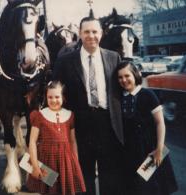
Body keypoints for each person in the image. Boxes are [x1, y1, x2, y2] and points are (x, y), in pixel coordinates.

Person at [53, 16, 124, 195]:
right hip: (80, 126)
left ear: (101, 33)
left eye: (95, 31)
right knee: (83, 174)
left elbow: (123, 90)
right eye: (86, 32)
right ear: (80, 34)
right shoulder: (65, 61)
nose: (91, 36)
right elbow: (56, 92)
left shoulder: (113, 58)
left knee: (110, 173)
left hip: (108, 124)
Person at [115, 61, 178, 195]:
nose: (124, 80)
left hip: (149, 150)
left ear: (135, 75)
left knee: (152, 186)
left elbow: (160, 123)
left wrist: (159, 149)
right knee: (135, 187)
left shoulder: (147, 95)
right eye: (120, 77)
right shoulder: (119, 98)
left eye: (127, 76)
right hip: (130, 152)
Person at [27, 81, 86, 195]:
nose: (54, 100)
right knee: (48, 190)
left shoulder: (69, 115)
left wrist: (75, 163)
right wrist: (35, 165)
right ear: (46, 97)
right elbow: (32, 141)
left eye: (57, 97)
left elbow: (73, 141)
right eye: (50, 97)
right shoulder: (40, 115)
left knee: (66, 191)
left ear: (63, 97)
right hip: (47, 161)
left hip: (66, 161)